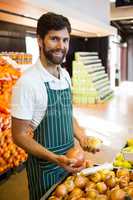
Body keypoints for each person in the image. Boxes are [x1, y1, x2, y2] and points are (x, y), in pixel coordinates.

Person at [11, 12, 97, 200]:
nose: (61, 46)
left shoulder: (65, 75)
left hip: (71, 164)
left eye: (65, 40)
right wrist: (55, 158)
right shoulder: (28, 83)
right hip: (45, 171)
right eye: (54, 39)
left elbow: (67, 114)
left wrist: (82, 137)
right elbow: (18, 136)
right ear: (40, 40)